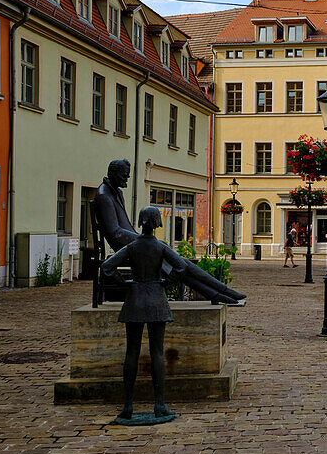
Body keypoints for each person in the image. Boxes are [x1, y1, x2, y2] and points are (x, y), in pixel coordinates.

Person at [93, 159, 244, 304]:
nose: (127, 179)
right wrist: (142, 240)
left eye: (127, 176)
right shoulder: (104, 195)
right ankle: (219, 292)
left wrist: (144, 239)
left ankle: (220, 291)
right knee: (178, 263)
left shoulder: (116, 192)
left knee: (181, 263)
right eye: (124, 176)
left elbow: (125, 228)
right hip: (127, 249)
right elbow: (116, 232)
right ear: (113, 173)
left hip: (135, 244)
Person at [101, 207, 186, 422]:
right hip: (156, 298)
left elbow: (107, 267)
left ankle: (128, 405)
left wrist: (125, 283)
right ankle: (159, 404)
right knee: (157, 352)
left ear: (141, 222)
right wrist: (166, 282)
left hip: (136, 299)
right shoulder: (160, 247)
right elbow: (181, 266)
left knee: (132, 352)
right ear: (157, 223)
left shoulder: (132, 246)